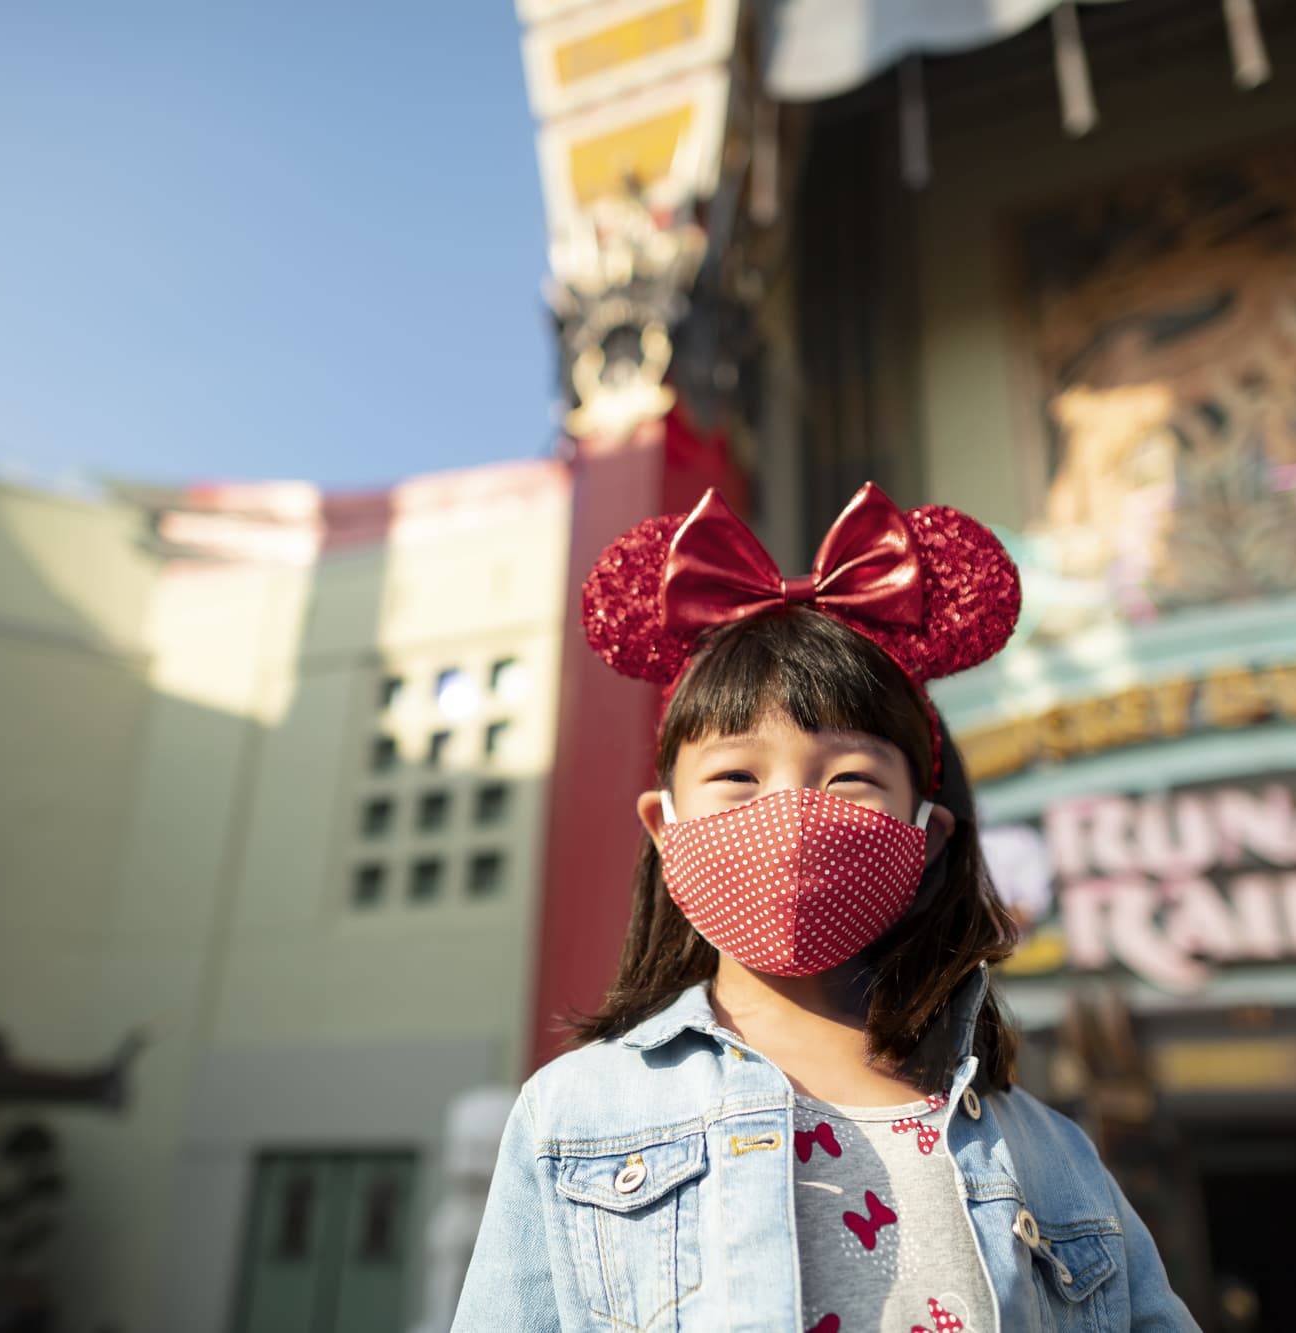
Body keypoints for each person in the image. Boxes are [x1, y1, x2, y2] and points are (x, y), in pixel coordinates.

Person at [453, 484, 1198, 1332]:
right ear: (665, 827)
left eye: (851, 779)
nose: (793, 818)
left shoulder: (1055, 1158)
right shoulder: (574, 1115)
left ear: (927, 833)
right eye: (736, 776)